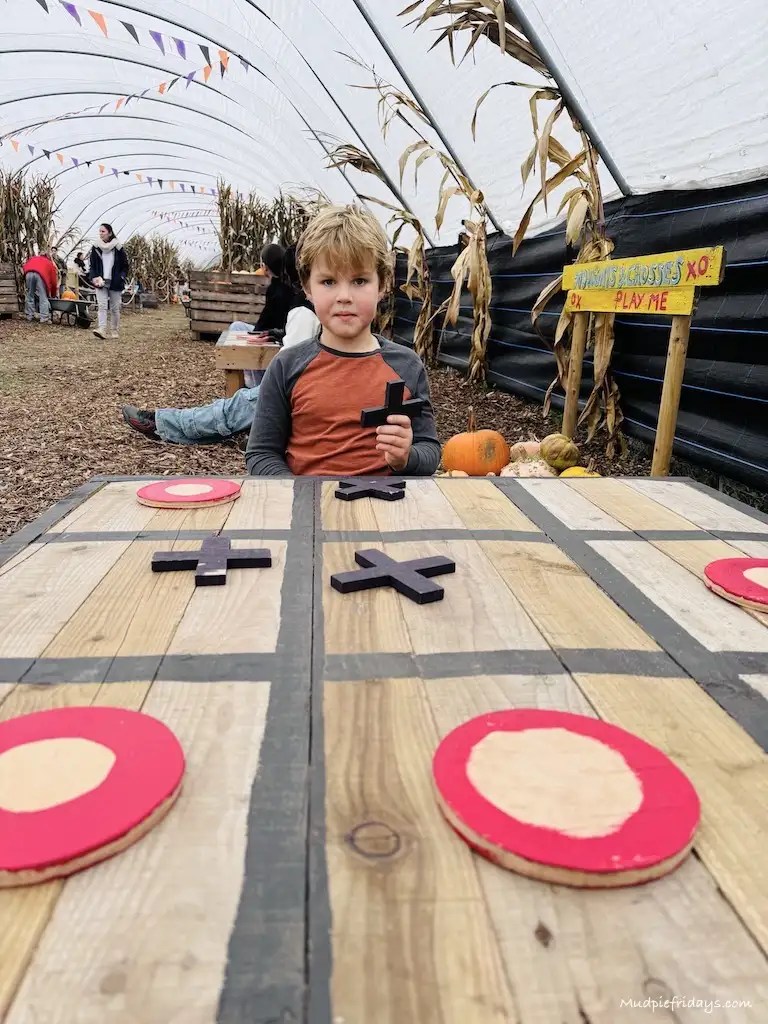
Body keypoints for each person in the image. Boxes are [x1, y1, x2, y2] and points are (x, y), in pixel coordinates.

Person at [246, 205, 440, 477]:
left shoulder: (406, 365)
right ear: (307, 287)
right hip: (309, 502)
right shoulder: (287, 366)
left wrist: (406, 457)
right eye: (328, 282)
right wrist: (298, 492)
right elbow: (261, 454)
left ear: (383, 284)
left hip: (385, 502)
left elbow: (429, 450)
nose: (344, 296)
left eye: (359, 281)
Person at [121, 246, 319, 445]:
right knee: (242, 403)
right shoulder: (306, 307)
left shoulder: (303, 311)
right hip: (305, 389)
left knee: (239, 405)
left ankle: (163, 424)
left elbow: (286, 373)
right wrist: (279, 334)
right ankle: (167, 423)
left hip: (299, 393)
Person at [89, 223, 129, 340]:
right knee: (102, 306)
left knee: (115, 308)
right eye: (100, 231)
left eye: (103, 231)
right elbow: (92, 265)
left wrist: (121, 277)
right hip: (101, 281)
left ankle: (114, 329)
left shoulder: (118, 248)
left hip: (115, 281)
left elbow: (125, 265)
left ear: (110, 233)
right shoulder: (96, 247)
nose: (101, 234)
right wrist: (94, 277)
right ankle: (101, 329)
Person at [22, 251, 58, 323]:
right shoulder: (49, 263)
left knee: (30, 295)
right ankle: (44, 318)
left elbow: (24, 266)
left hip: (28, 273)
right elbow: (54, 282)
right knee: (43, 296)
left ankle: (29, 316)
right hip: (40, 275)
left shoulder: (33, 258)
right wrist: (53, 294)